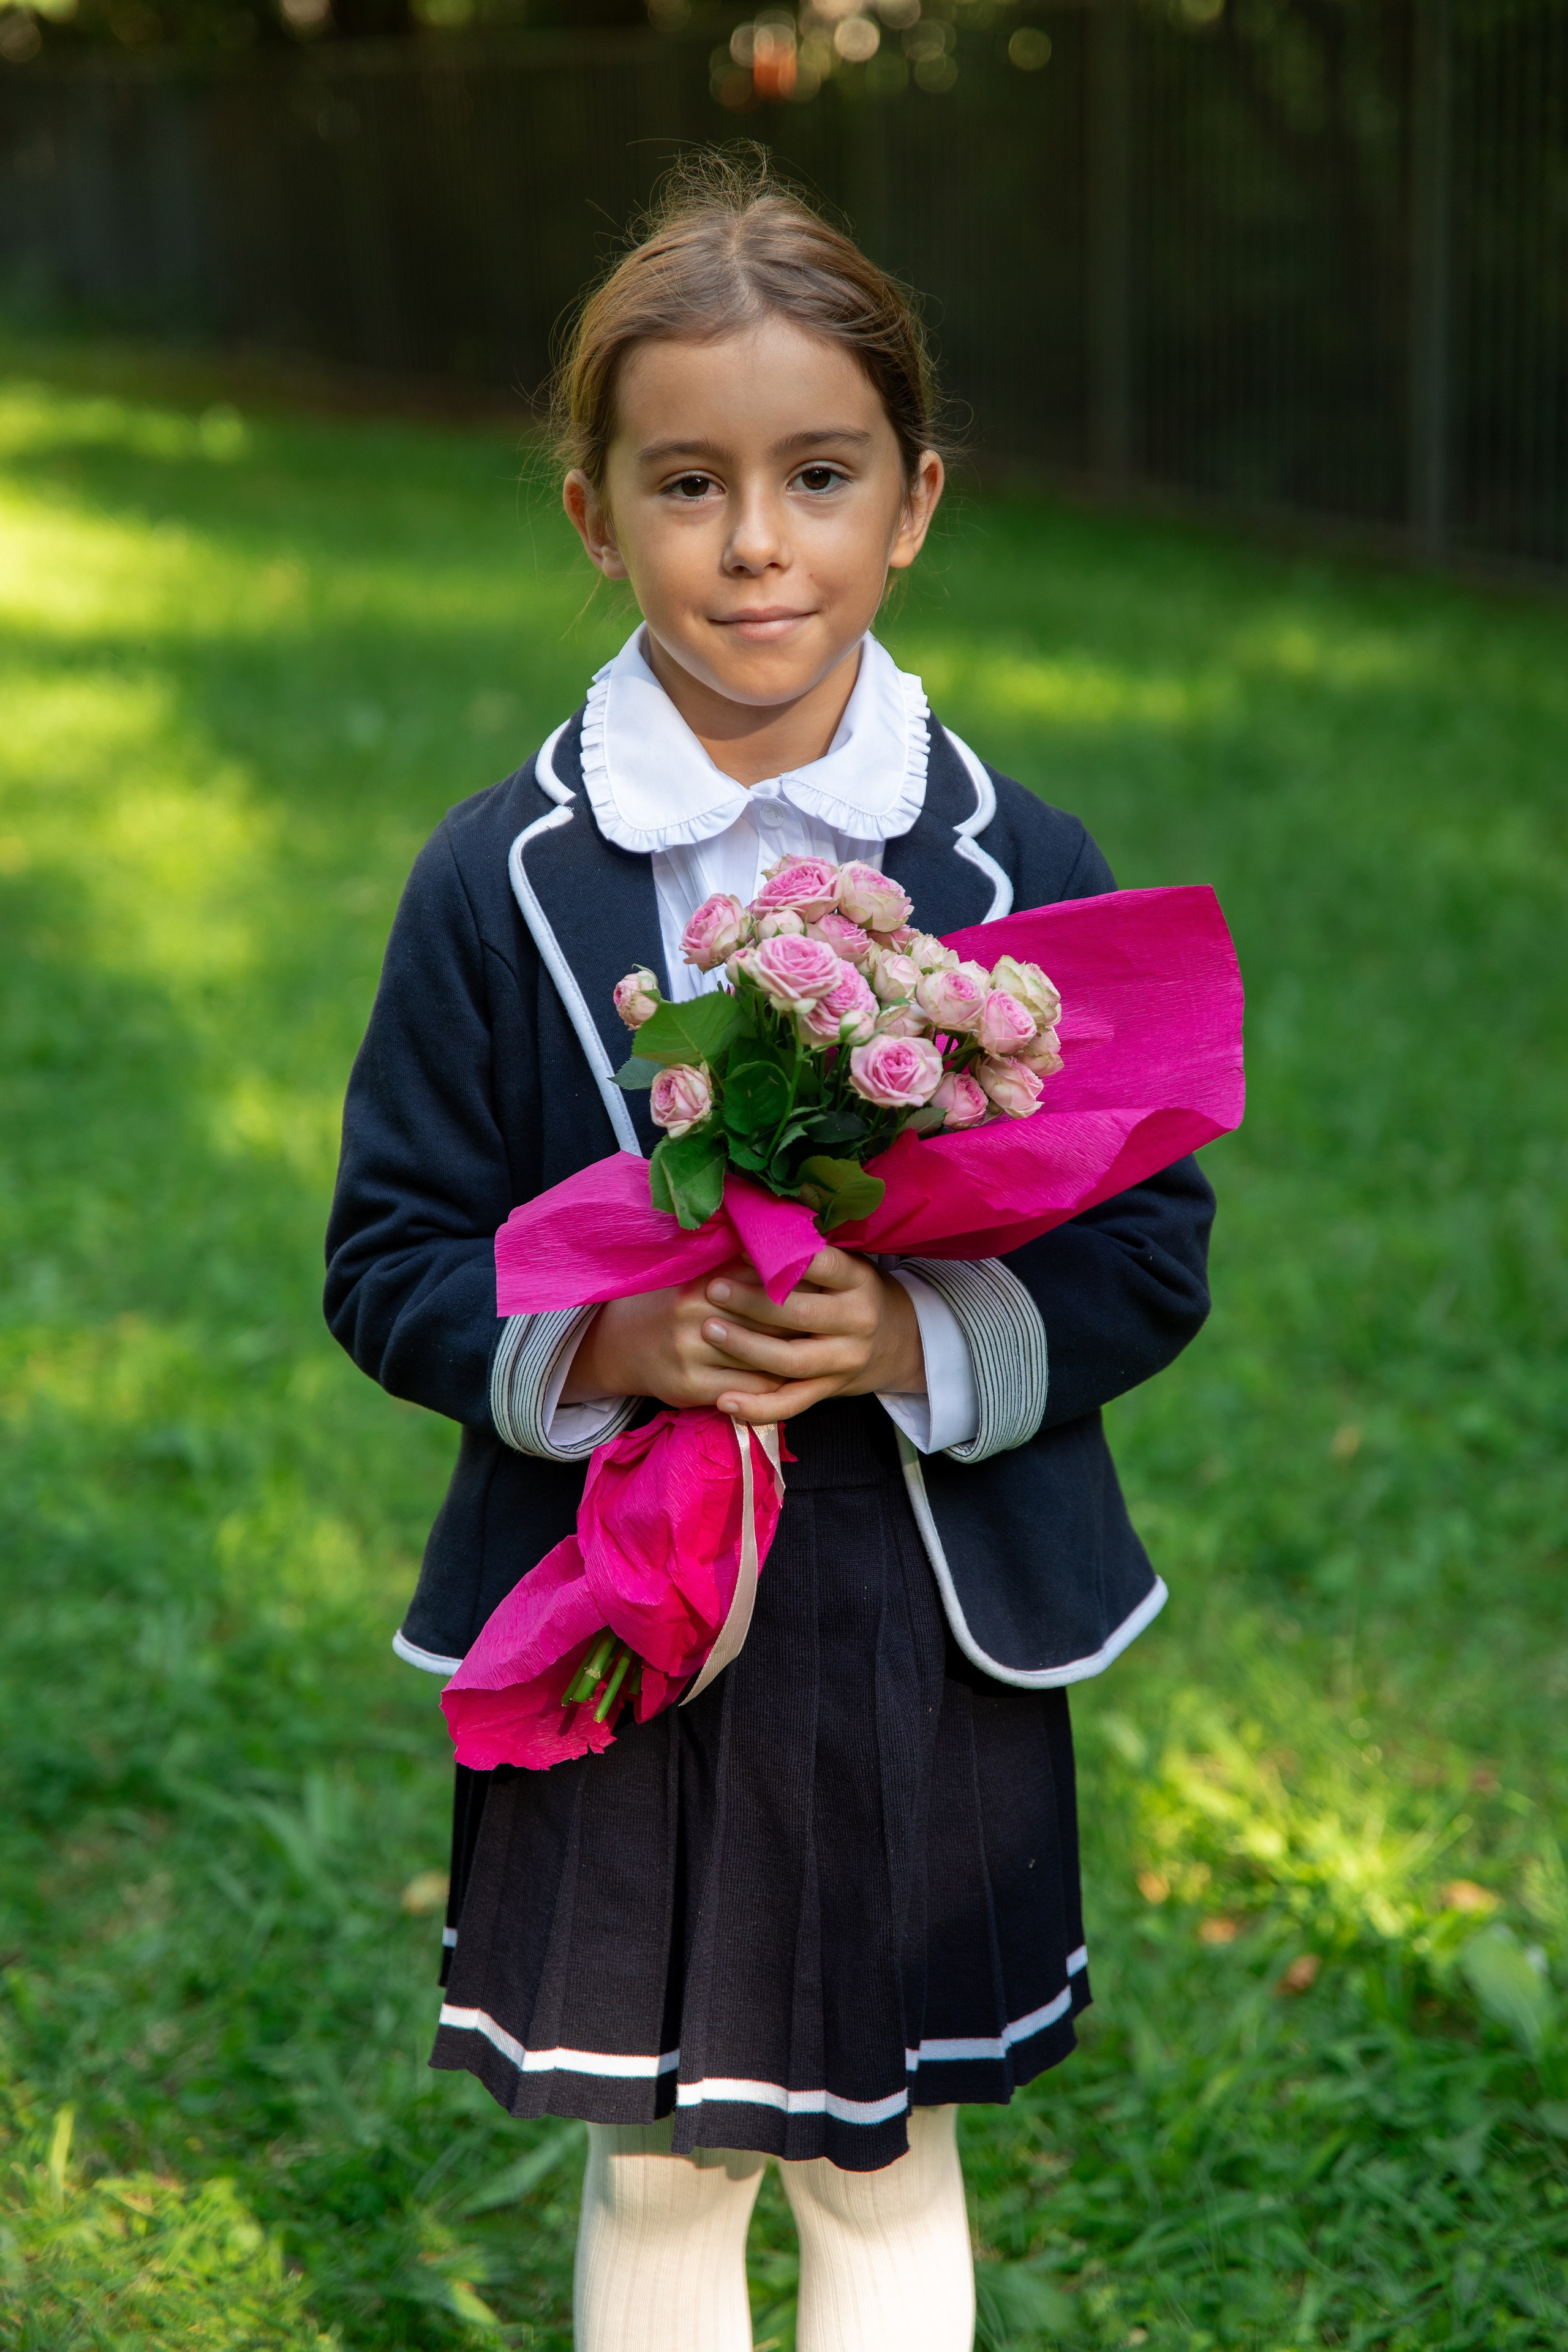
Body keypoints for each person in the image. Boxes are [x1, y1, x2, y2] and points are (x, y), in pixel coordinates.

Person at [324, 154, 1215, 2352]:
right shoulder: (494, 882)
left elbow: (1149, 1254)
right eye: (688, 481)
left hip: (918, 1619)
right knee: (665, 2154)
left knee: (891, 2154)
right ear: (591, 513)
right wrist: (610, 1342)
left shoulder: (1022, 870)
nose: (754, 543)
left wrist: (914, 1323)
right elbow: (387, 1255)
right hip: (626, 1627)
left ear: (913, 500)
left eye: (816, 476)